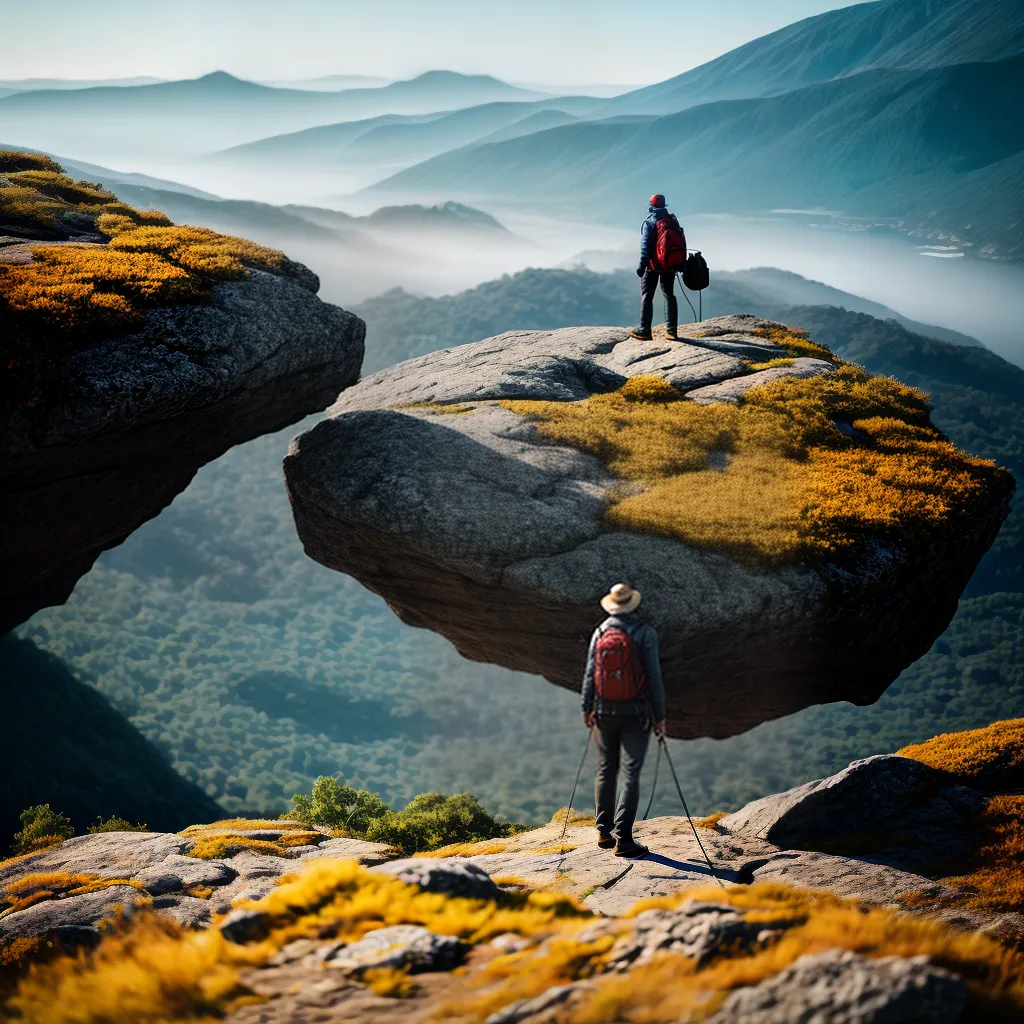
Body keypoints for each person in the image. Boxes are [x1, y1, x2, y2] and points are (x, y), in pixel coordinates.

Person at [580, 582, 667, 858]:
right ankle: (624, 840)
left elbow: (589, 673)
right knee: (631, 772)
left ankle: (603, 832)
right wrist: (660, 715)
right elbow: (654, 677)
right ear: (633, 604)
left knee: (606, 768)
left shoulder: (600, 632)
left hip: (604, 711)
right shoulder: (645, 633)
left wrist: (587, 707)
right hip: (636, 712)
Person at [629, 193, 682, 342]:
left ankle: (645, 330)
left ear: (651, 206)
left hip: (652, 266)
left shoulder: (650, 221)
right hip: (669, 265)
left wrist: (642, 265)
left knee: (647, 296)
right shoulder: (672, 220)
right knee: (669, 295)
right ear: (664, 205)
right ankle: (671, 331)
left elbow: (646, 245)